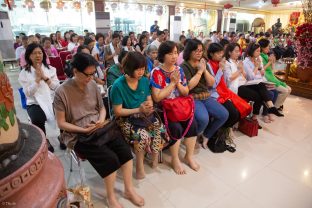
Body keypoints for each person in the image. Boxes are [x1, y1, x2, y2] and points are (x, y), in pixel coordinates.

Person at [53, 53, 144, 208]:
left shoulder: (93, 85)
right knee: (110, 159)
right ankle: (111, 197)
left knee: (124, 152)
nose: (91, 78)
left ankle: (128, 190)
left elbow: (101, 108)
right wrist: (82, 130)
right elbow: (61, 123)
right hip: (78, 135)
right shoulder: (62, 92)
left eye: (93, 74)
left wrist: (101, 121)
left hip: (99, 127)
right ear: (75, 71)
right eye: (87, 74)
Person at [111, 52, 167, 179]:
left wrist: (149, 106)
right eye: (138, 69)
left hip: (143, 115)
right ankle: (140, 166)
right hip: (126, 119)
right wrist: (138, 109)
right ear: (129, 68)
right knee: (141, 135)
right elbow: (118, 112)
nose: (141, 72)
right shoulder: (118, 85)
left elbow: (149, 99)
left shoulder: (143, 81)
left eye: (143, 69)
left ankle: (154, 158)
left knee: (160, 128)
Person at [151, 41, 200, 175]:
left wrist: (177, 82)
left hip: (179, 106)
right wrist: (172, 83)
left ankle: (188, 156)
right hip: (164, 110)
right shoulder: (156, 72)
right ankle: (175, 159)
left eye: (176, 53)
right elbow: (157, 98)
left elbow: (185, 92)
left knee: (193, 124)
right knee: (176, 127)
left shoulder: (179, 70)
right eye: (170, 53)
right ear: (162, 55)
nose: (174, 56)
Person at [180, 39, 228, 149]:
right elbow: (189, 87)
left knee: (224, 114)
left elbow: (211, 83)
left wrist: (204, 70)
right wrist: (200, 71)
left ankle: (206, 135)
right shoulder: (184, 66)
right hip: (192, 97)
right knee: (203, 119)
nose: (199, 53)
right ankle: (190, 137)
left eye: (201, 51)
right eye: (196, 51)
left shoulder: (203, 63)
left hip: (205, 96)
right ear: (189, 51)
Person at [224, 43, 283, 124]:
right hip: (237, 86)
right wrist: (240, 70)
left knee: (261, 85)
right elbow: (229, 78)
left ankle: (270, 107)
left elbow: (246, 76)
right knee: (259, 95)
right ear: (229, 52)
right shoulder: (227, 63)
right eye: (236, 51)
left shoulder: (239, 61)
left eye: (239, 51)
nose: (238, 53)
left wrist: (254, 68)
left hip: (245, 83)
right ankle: (257, 116)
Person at [18, 43, 60, 152]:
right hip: (34, 103)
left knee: (65, 112)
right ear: (28, 56)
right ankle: (44, 140)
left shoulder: (51, 69)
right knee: (37, 119)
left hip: (51, 100)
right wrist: (37, 80)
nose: (37, 55)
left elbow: (57, 87)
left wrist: (45, 78)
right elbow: (28, 94)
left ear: (43, 54)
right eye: (34, 53)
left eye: (40, 53)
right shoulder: (24, 73)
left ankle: (63, 136)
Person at [207, 43, 251, 137]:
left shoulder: (222, 63)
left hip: (225, 90)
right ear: (211, 54)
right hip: (216, 93)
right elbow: (213, 85)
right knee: (233, 112)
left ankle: (224, 129)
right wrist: (221, 69)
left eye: (221, 53)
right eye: (218, 53)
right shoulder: (209, 65)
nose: (220, 55)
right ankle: (221, 131)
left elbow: (246, 76)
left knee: (243, 108)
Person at [258, 39, 291, 111]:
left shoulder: (267, 55)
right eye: (267, 47)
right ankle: (274, 107)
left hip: (271, 77)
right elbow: (261, 70)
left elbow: (272, 71)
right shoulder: (259, 57)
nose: (269, 48)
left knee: (289, 89)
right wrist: (270, 62)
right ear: (262, 48)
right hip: (266, 78)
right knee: (285, 91)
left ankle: (278, 105)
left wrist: (272, 62)